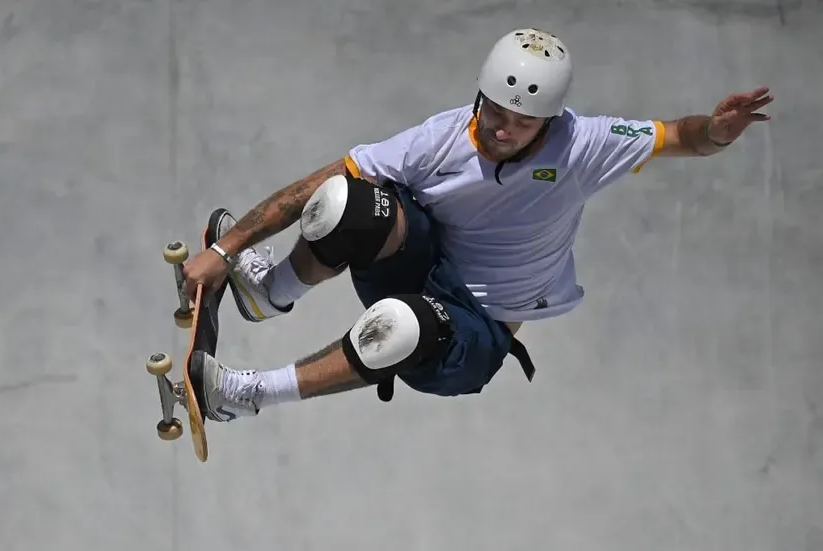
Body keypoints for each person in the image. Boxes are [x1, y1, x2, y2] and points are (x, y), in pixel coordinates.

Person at [180, 28, 773, 422]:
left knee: (401, 326)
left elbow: (679, 136)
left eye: (523, 123)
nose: (502, 130)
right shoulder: (439, 138)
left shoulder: (584, 145)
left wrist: (715, 131)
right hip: (424, 267)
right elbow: (322, 179)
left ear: (550, 121)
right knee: (346, 200)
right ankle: (270, 292)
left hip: (474, 332)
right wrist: (226, 250)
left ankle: (245, 395)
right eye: (494, 111)